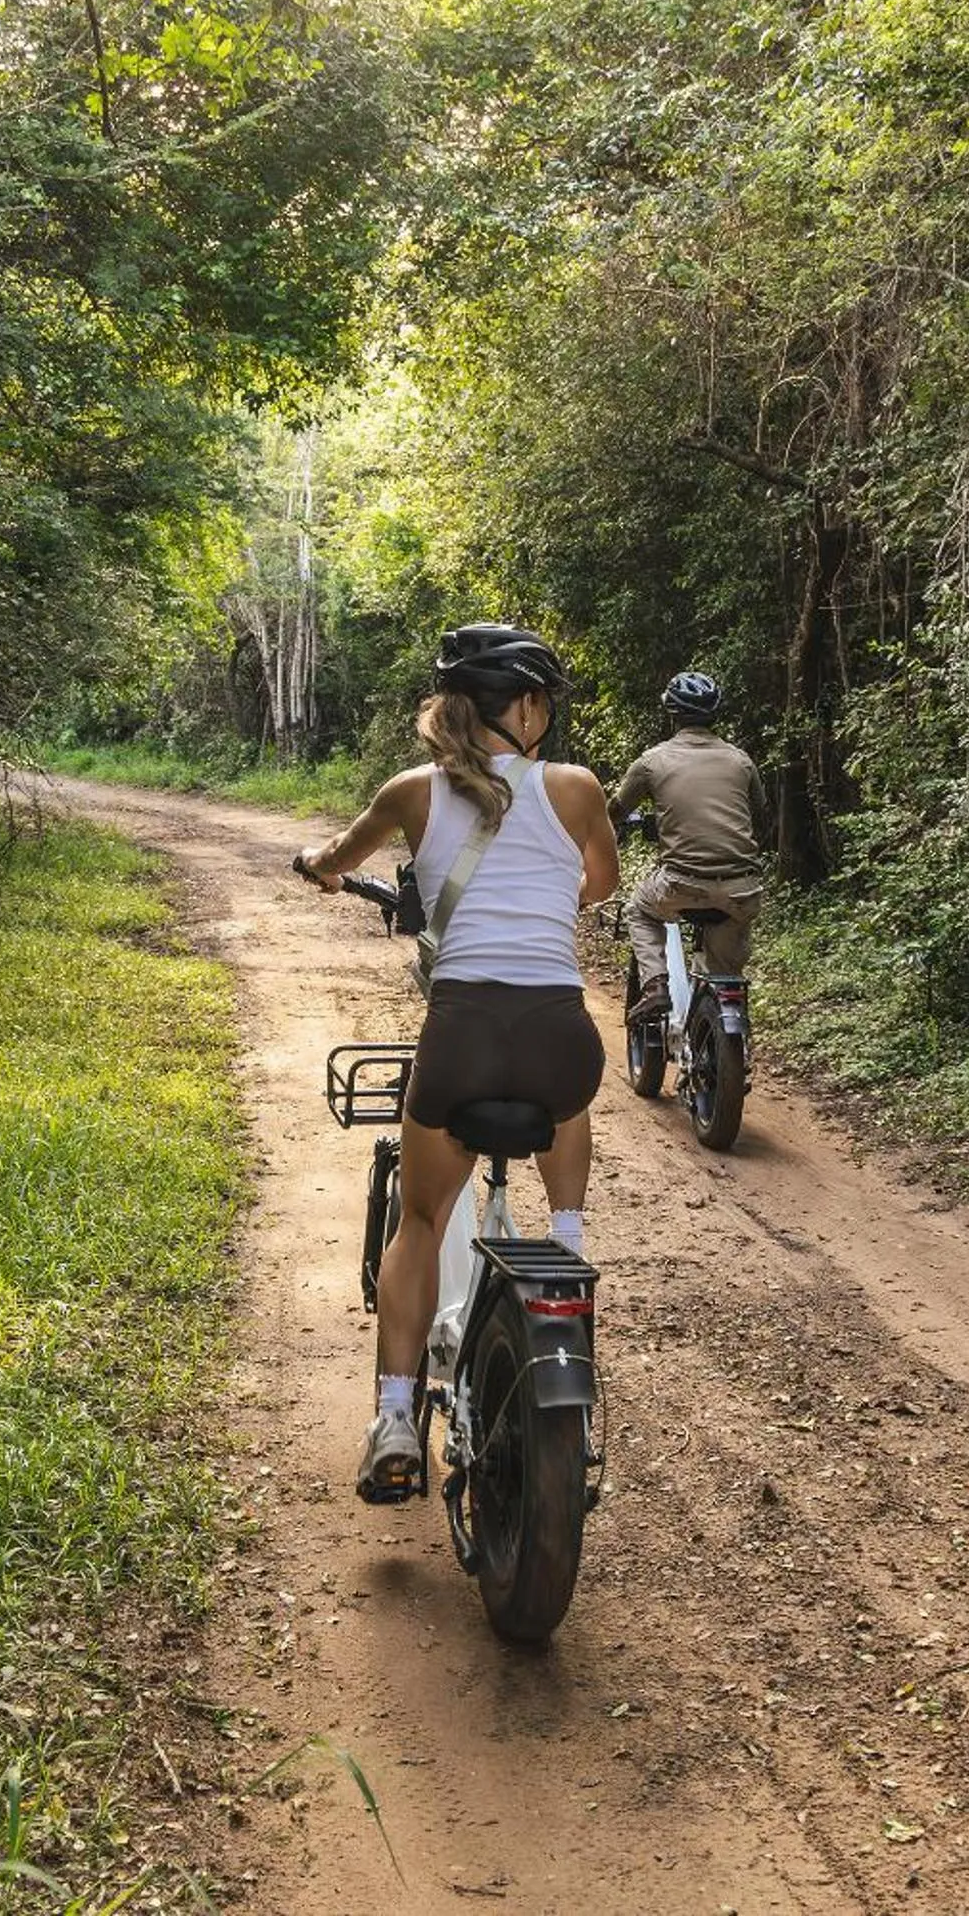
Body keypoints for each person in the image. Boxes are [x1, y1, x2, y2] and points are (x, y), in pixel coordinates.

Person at [294, 623, 621, 1501]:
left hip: (460, 1039)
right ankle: (566, 1240)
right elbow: (598, 886)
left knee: (420, 1222)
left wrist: (319, 867)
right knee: (566, 1092)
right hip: (560, 1042)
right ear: (526, 708)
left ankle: (397, 1416)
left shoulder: (411, 791)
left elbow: (336, 860)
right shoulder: (576, 788)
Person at [608, 671, 766, 1021]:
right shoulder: (741, 760)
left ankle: (655, 986)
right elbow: (758, 811)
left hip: (681, 885)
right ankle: (723, 1031)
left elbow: (615, 811)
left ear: (672, 714)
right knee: (724, 974)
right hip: (742, 890)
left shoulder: (652, 761)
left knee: (639, 909)